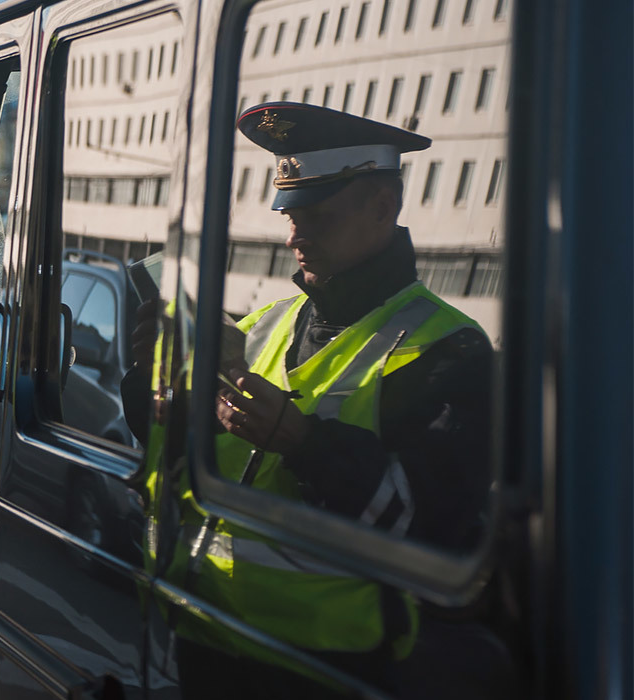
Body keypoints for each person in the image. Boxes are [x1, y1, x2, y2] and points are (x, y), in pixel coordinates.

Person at [169, 102, 496, 695]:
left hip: (327, 672)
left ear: (384, 206)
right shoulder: (264, 324)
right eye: (290, 213)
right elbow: (184, 466)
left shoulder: (451, 350)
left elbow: (430, 532)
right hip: (205, 642)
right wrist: (158, 389)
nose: (295, 234)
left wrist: (304, 444)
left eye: (316, 214)